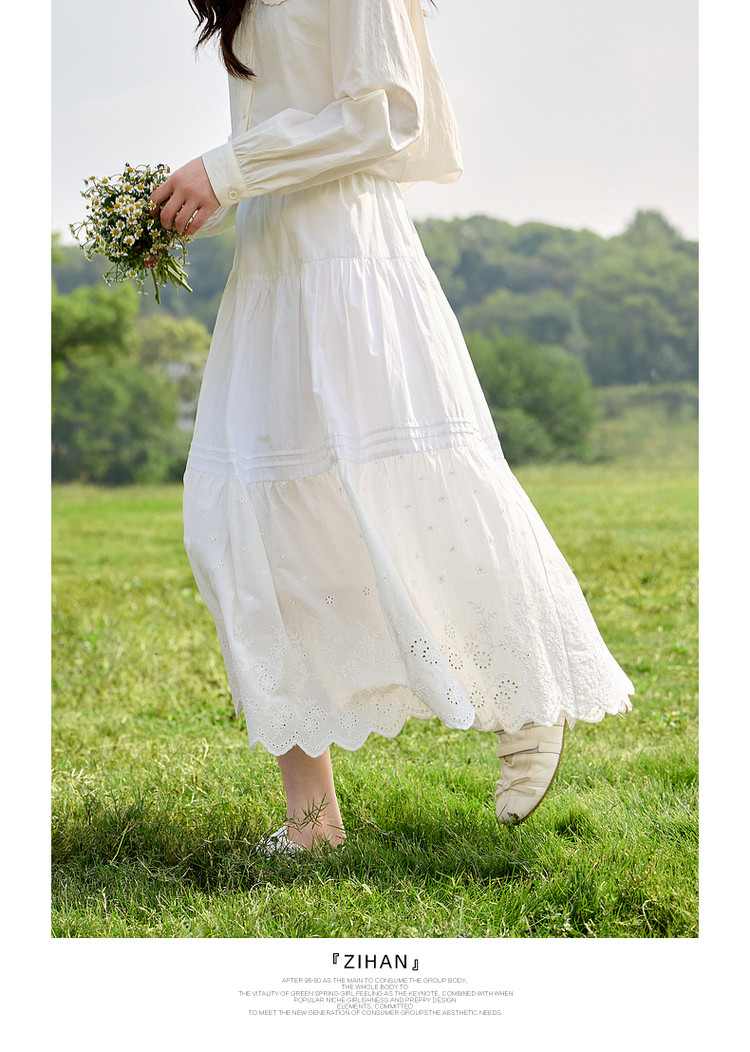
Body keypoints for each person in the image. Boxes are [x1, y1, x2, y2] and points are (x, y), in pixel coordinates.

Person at [150, 0, 634, 853]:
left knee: (424, 486)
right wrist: (194, 200)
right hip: (272, 262)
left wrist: (225, 168)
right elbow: (280, 126)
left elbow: (385, 116)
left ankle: (528, 700)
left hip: (352, 260)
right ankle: (312, 822)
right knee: (252, 525)